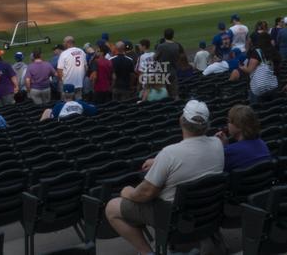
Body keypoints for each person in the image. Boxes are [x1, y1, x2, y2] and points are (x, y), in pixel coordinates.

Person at [105, 100, 224, 255]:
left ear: (181, 120)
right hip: (207, 213)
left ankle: (146, 252)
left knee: (112, 207)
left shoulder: (169, 154)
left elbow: (145, 194)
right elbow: (193, 155)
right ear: (207, 124)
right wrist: (158, 161)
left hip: (171, 216)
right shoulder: (218, 144)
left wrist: (127, 192)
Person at [217, 105, 271, 171]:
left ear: (239, 126)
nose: (227, 124)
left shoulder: (229, 152)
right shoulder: (262, 144)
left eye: (229, 121)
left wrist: (222, 148)